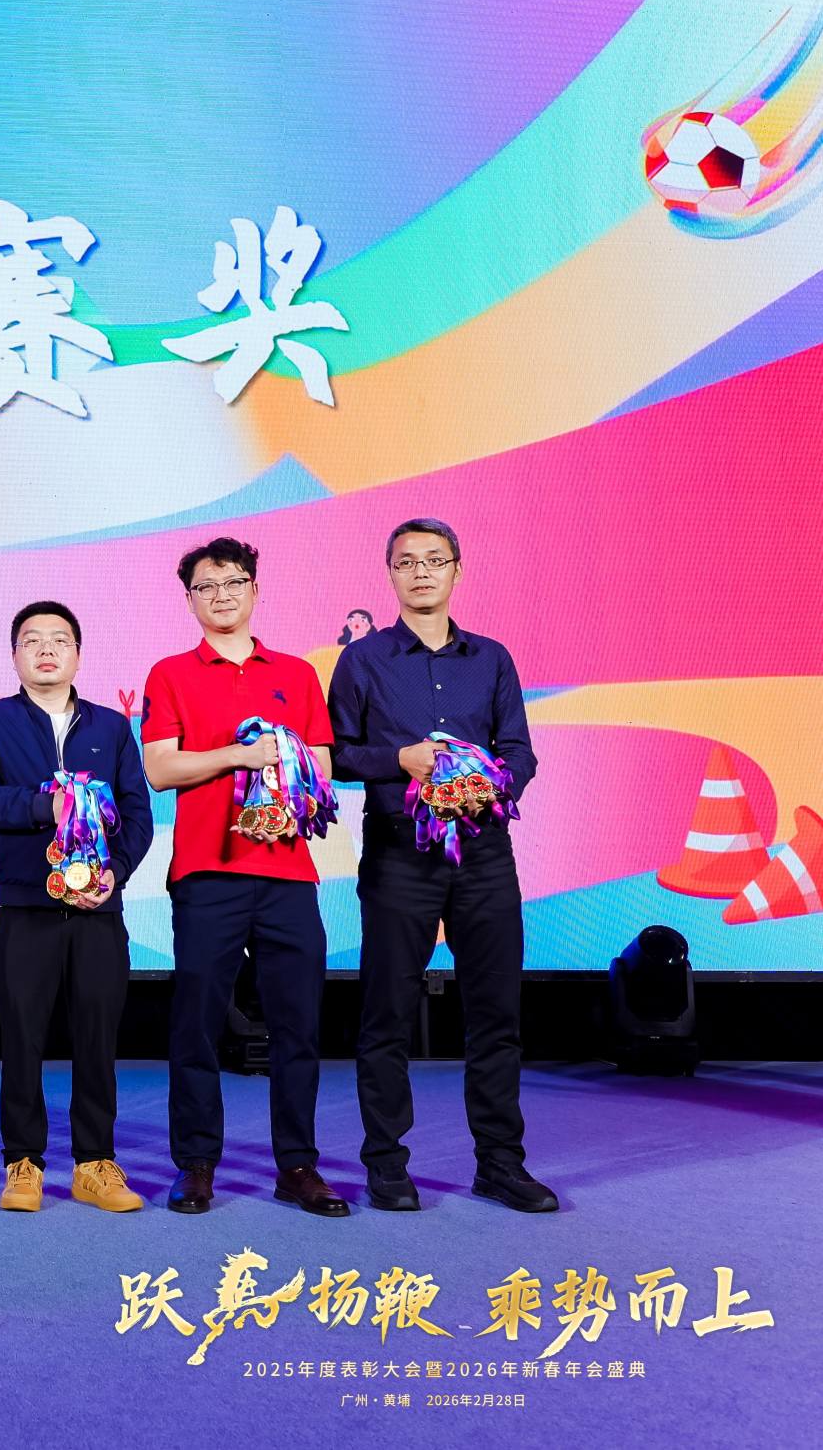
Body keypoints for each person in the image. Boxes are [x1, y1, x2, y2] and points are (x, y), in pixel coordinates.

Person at [329, 519, 554, 1213]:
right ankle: (386, 1165)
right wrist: (397, 760)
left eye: (434, 560)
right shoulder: (361, 660)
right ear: (389, 574)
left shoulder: (491, 658)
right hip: (400, 853)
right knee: (386, 1013)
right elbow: (336, 755)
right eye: (406, 562)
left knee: (495, 1013)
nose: (421, 572)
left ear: (457, 569)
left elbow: (519, 750)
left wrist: (492, 783)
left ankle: (500, 1164)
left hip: (484, 852)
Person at [141, 537, 348, 1217]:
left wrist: (285, 763)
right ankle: (196, 1163)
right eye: (206, 586)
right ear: (190, 599)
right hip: (207, 870)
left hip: (287, 871)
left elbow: (321, 770)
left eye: (233, 582)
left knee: (298, 1024)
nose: (221, 595)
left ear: (254, 589)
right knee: (197, 1022)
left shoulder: (296, 673)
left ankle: (298, 1165)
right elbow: (159, 768)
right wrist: (240, 753)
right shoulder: (171, 673)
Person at [0, 601, 153, 1214]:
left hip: (98, 912)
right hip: (24, 909)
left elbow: (137, 813)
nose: (47, 649)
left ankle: (95, 1163)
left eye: (60, 640)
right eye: (33, 640)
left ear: (78, 654)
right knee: (22, 1040)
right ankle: (23, 1162)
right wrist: (48, 806)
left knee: (97, 1039)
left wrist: (115, 874)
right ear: (15, 655)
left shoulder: (110, 728)